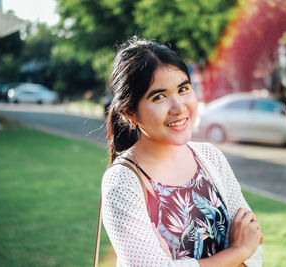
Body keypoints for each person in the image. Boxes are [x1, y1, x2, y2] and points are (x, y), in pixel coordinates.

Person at [101, 37, 263, 266]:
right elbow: (246, 247)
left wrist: (246, 249)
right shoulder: (123, 181)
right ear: (130, 113)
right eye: (159, 97)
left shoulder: (210, 157)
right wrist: (237, 252)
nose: (179, 108)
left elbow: (255, 242)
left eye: (183, 89)